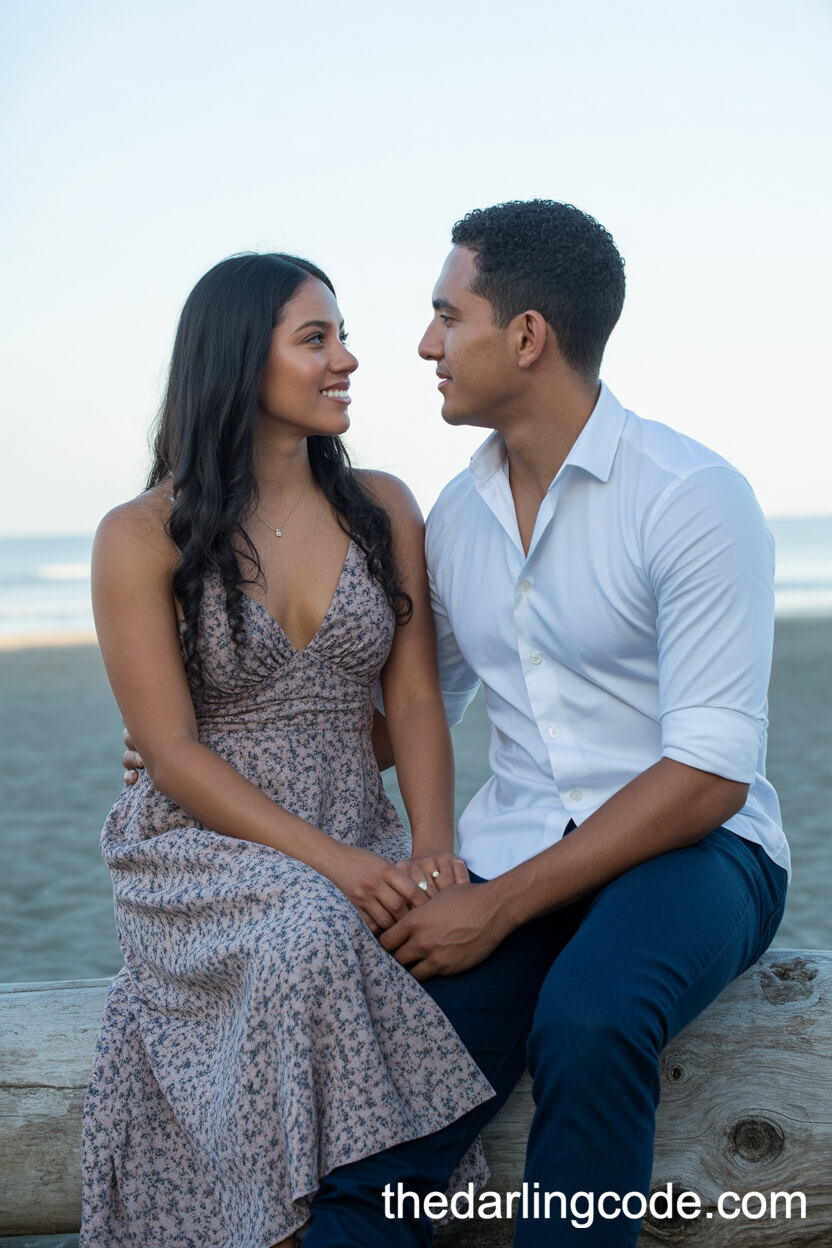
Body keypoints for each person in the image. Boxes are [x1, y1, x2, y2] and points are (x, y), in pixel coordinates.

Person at [123, 203, 790, 1246]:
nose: (423, 345)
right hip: (515, 851)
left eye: (447, 316)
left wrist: (497, 906)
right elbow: (406, 701)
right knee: (386, 1126)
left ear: (525, 337)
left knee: (592, 1018)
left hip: (698, 851)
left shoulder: (690, 497)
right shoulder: (456, 518)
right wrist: (195, 745)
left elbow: (708, 772)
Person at [80, 252, 495, 1248]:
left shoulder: (382, 507)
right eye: (316, 339)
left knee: (418, 938)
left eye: (342, 335)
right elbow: (172, 753)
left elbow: (416, 699)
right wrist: (343, 868)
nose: (348, 358)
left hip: (355, 820)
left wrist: (428, 849)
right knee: (311, 929)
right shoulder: (143, 535)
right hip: (201, 847)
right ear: (236, 361)